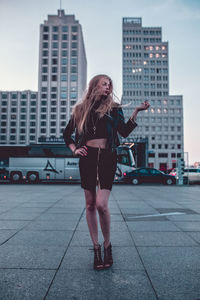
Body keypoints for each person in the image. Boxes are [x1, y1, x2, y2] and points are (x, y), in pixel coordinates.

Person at [63, 74, 150, 270]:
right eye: (104, 83)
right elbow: (66, 134)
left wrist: (136, 111)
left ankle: (107, 245)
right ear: (95, 86)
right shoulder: (80, 109)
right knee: (90, 204)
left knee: (102, 205)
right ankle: (95, 248)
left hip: (108, 157)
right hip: (87, 157)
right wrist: (74, 149)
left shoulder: (114, 108)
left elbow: (125, 131)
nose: (108, 87)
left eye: (110, 84)